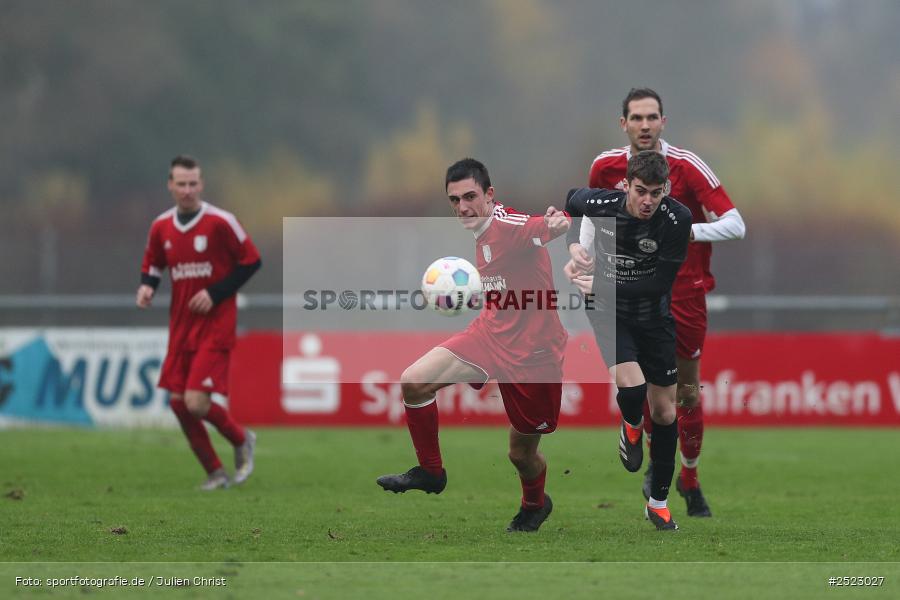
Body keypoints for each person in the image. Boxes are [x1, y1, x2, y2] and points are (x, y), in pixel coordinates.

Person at [569, 88, 745, 517]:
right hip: (627, 291)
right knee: (645, 391)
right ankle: (654, 472)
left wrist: (689, 234)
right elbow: (593, 213)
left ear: (663, 122)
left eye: (652, 117)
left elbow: (735, 223)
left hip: (683, 293)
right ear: (623, 124)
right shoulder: (605, 166)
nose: (644, 125)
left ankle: (690, 476)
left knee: (684, 393)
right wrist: (581, 252)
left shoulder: (687, 167)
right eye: (636, 118)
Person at [377, 158, 570, 533]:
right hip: (490, 334)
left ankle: (535, 504)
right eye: (454, 200)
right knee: (414, 381)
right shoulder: (480, 231)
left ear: (489, 195)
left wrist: (558, 222)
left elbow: (543, 226)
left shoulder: (505, 225)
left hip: (535, 354)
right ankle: (432, 472)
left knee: (521, 455)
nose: (462, 207)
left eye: (470, 197)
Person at [565, 150, 692, 530]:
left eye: (656, 192)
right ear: (625, 186)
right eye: (641, 191)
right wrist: (575, 245)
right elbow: (572, 201)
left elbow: (658, 285)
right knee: (633, 389)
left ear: (666, 189)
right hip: (607, 311)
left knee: (667, 412)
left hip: (653, 317)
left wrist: (598, 282)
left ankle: (658, 502)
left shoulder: (677, 219)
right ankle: (632, 424)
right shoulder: (602, 202)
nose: (648, 200)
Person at [137, 155, 262, 490]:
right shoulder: (161, 226)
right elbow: (153, 262)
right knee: (178, 404)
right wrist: (147, 287)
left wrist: (216, 292)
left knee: (195, 401)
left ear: (201, 184)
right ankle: (215, 473)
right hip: (181, 326)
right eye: (181, 184)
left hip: (216, 325)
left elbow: (252, 261)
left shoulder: (221, 222)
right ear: (171, 185)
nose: (188, 190)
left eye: (193, 183)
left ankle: (241, 439)